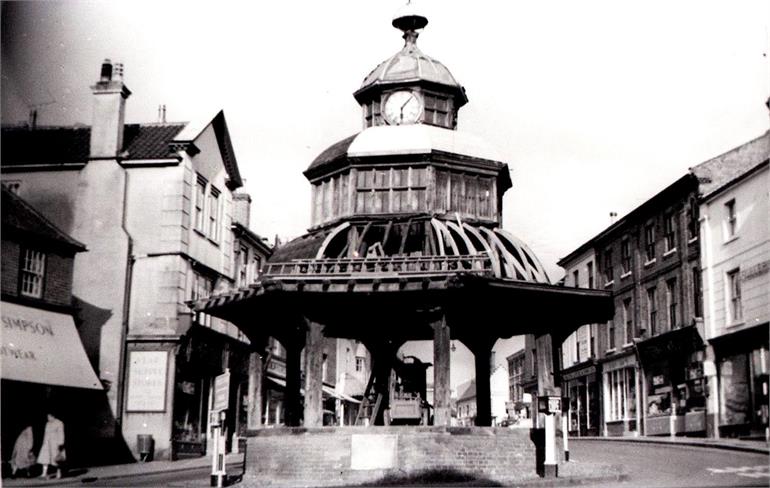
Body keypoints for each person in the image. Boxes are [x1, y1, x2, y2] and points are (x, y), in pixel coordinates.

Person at [38, 413, 65, 479]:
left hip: (55, 444)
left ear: (53, 416)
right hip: (47, 444)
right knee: (44, 459)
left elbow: (61, 433)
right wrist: (44, 442)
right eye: (47, 417)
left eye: (49, 417)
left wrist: (60, 443)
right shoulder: (47, 424)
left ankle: (59, 473)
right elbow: (45, 433)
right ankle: (44, 474)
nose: (48, 418)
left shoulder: (59, 423)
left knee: (56, 459)